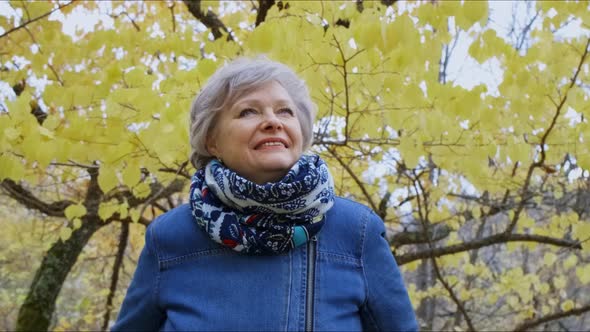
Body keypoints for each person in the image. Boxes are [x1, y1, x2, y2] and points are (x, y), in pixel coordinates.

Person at [112, 57, 417, 331]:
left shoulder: (357, 231)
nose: (273, 121)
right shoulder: (169, 237)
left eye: (285, 111)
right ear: (212, 141)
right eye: (248, 111)